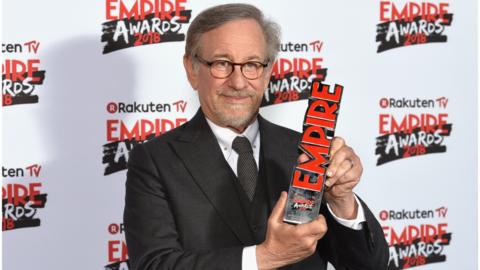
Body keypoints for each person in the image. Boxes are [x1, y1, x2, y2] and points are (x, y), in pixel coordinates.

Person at [124, 3, 388, 270]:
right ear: (192, 70)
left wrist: (340, 200)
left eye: (251, 64)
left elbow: (368, 265)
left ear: (268, 72)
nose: (238, 82)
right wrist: (264, 257)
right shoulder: (155, 160)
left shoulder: (306, 151)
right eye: (222, 63)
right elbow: (153, 265)